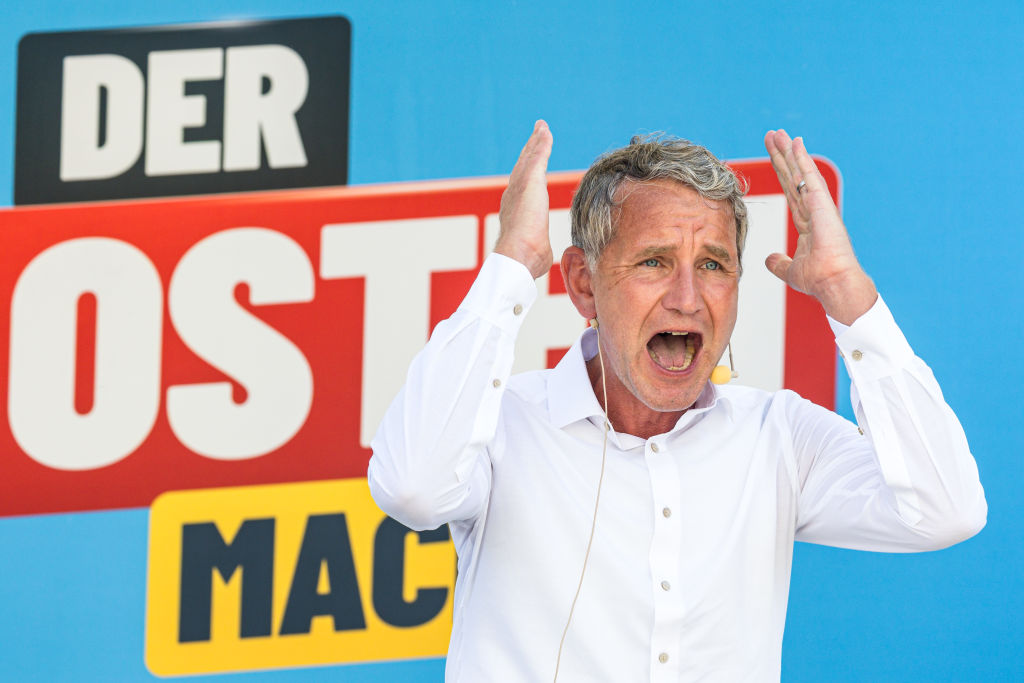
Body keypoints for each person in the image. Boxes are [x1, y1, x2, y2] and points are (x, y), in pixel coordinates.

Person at [368, 121, 987, 682]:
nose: (688, 298)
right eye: (655, 261)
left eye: (714, 264)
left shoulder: (779, 436)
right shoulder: (504, 425)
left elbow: (945, 510)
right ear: (583, 283)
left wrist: (848, 296)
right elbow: (412, 489)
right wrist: (511, 266)